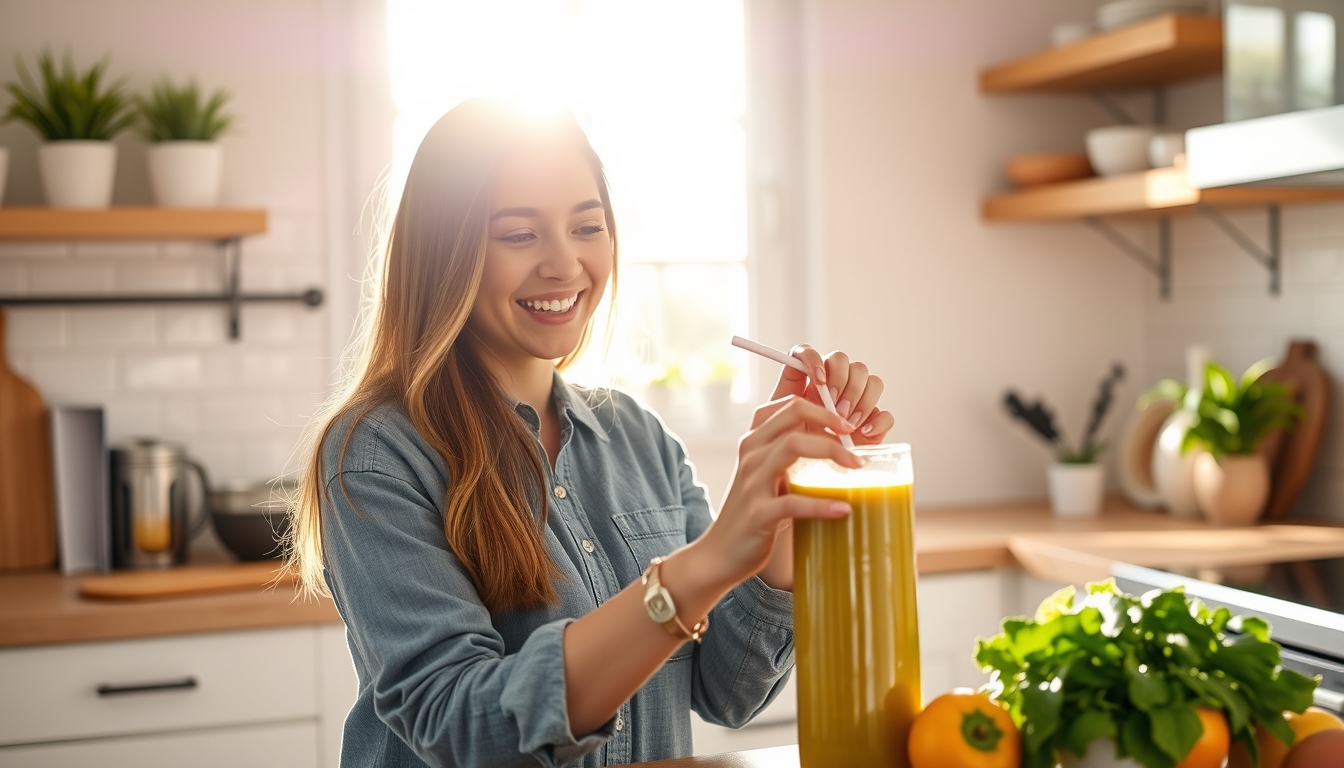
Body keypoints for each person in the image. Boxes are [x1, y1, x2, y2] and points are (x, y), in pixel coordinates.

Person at [289, 100, 893, 768]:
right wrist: (699, 568)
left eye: (587, 226)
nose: (564, 264)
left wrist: (776, 512)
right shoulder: (377, 453)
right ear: (444, 250)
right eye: (519, 235)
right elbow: (463, 727)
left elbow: (728, 692)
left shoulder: (638, 436)